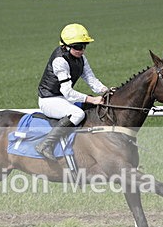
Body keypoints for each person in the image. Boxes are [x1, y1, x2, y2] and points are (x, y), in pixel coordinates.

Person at [35, 23, 109, 161]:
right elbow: (67, 91)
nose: (82, 50)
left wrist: (106, 90)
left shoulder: (81, 58)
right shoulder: (59, 61)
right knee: (78, 114)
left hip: (62, 98)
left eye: (84, 46)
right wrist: (92, 99)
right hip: (49, 100)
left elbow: (91, 79)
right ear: (65, 46)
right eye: (78, 47)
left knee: (92, 106)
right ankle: (45, 145)